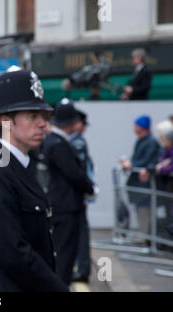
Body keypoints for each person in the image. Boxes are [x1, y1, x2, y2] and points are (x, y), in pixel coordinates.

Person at [0, 70, 68, 292]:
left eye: (43, 117)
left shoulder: (21, 164)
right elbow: (14, 253)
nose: (43, 125)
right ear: (6, 121)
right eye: (32, 116)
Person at [41, 99, 95, 286]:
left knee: (62, 253)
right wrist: (91, 188)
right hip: (66, 206)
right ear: (71, 123)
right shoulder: (58, 144)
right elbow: (74, 173)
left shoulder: (53, 141)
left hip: (62, 204)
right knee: (65, 256)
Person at [120, 115, 161, 234]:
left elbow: (147, 160)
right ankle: (145, 236)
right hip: (138, 186)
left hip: (144, 185)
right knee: (140, 211)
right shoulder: (141, 140)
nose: (134, 128)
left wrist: (132, 165)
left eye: (136, 125)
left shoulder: (151, 142)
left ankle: (147, 238)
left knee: (145, 211)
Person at [70, 110, 96, 283]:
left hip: (78, 194)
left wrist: (89, 188)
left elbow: (78, 171)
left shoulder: (77, 141)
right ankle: (82, 268)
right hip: (80, 193)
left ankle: (83, 269)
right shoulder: (76, 140)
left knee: (80, 234)